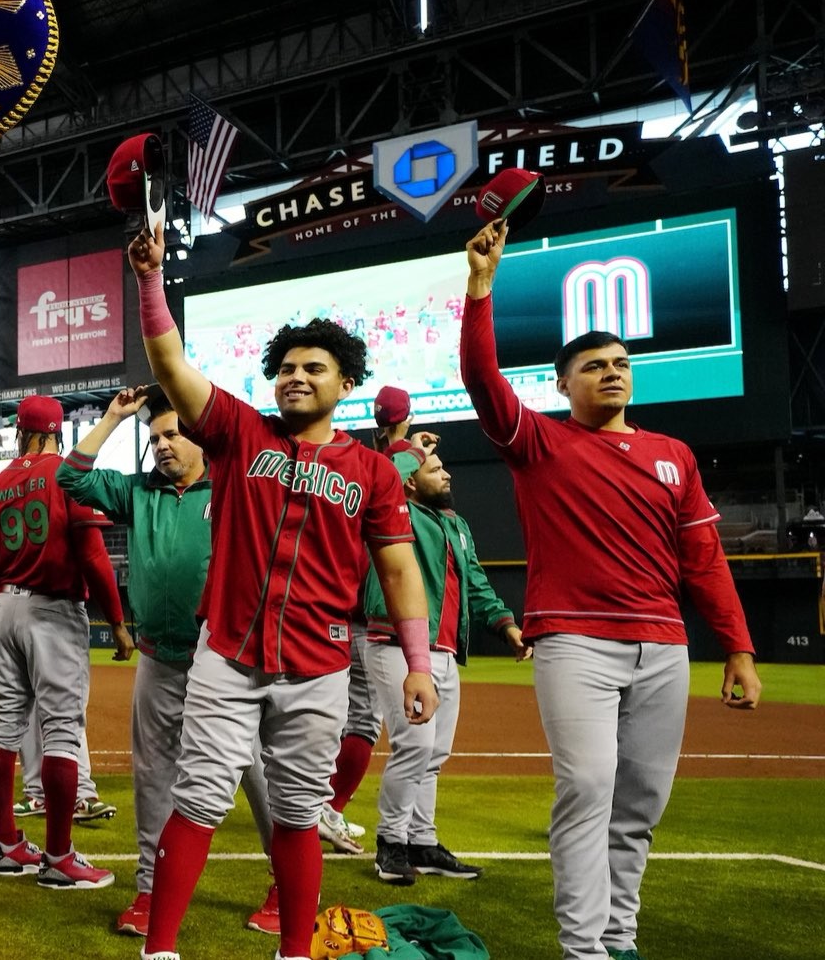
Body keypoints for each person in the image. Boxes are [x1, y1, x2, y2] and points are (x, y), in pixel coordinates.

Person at [124, 218, 438, 960]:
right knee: (197, 798)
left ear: (346, 383)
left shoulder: (373, 471)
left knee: (298, 811)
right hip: (227, 652)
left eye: (315, 367)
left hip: (319, 665)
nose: (297, 375)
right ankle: (160, 949)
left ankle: (296, 949)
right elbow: (170, 363)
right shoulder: (240, 431)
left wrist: (419, 661)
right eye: (287, 366)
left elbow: (398, 569)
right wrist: (148, 279)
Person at [460, 218, 759, 960]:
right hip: (574, 641)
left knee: (639, 805)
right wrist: (481, 286)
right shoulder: (538, 443)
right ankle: (584, 946)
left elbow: (705, 560)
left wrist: (740, 650)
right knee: (589, 786)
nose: (612, 371)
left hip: (662, 645)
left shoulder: (674, 455)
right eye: (592, 365)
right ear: (562, 384)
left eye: (620, 361)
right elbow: (481, 379)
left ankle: (619, 937)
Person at [60, 384, 285, 937]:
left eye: (173, 434)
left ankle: (288, 882)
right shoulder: (138, 491)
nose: (161, 445)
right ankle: (148, 889)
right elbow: (72, 477)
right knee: (153, 775)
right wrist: (115, 418)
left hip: (225, 657)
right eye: (155, 436)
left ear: (201, 438)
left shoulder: (234, 482)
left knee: (258, 774)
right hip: (158, 659)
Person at [0, 394, 134, 889]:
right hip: (53, 610)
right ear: (57, 431)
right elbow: (93, 554)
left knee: (4, 728)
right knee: (60, 730)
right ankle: (59, 857)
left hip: (6, 611)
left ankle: (9, 846)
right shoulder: (66, 475)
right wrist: (117, 622)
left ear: (22, 432)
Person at [361, 443, 530, 886]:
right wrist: (408, 449)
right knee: (414, 747)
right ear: (411, 481)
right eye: (437, 469)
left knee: (434, 754)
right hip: (395, 641)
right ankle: (391, 845)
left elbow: (474, 580)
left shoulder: (456, 525)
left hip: (446, 649)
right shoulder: (396, 513)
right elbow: (385, 478)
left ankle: (422, 842)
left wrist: (505, 624)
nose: (448, 475)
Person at [320, 384, 422, 853]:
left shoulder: (359, 459)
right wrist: (413, 451)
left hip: (342, 608)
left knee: (339, 716)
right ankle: (329, 809)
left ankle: (323, 805)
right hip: (369, 617)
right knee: (361, 719)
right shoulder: (392, 465)